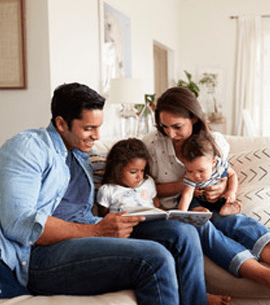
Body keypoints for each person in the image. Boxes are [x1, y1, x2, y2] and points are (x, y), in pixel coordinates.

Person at [0, 82, 229, 305]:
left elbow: (120, 169)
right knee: (155, 258)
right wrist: (97, 231)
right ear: (61, 124)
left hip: (89, 230)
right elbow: (20, 223)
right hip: (41, 255)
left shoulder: (80, 154)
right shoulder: (28, 148)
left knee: (183, 233)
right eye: (89, 128)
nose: (97, 136)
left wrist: (219, 181)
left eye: (99, 127)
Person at [142, 86, 270, 292]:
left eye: (177, 126)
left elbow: (223, 174)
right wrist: (184, 185)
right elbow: (145, 190)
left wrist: (221, 188)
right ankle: (262, 274)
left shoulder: (214, 142)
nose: (170, 134)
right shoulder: (151, 144)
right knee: (201, 226)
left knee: (233, 220)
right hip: (178, 205)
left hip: (210, 200)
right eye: (164, 126)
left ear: (194, 118)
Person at [178, 132, 241, 216]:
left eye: (201, 171)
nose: (196, 175)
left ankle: (226, 208)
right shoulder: (190, 177)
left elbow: (232, 175)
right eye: (190, 171)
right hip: (200, 199)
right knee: (184, 198)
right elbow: (187, 195)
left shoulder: (220, 165)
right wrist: (181, 214)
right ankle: (198, 209)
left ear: (213, 162)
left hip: (217, 198)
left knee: (226, 198)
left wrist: (231, 191)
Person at [97, 138, 161, 217]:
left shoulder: (148, 182)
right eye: (133, 172)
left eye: (142, 170)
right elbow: (103, 218)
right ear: (117, 170)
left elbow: (157, 206)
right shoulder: (107, 190)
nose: (139, 177)